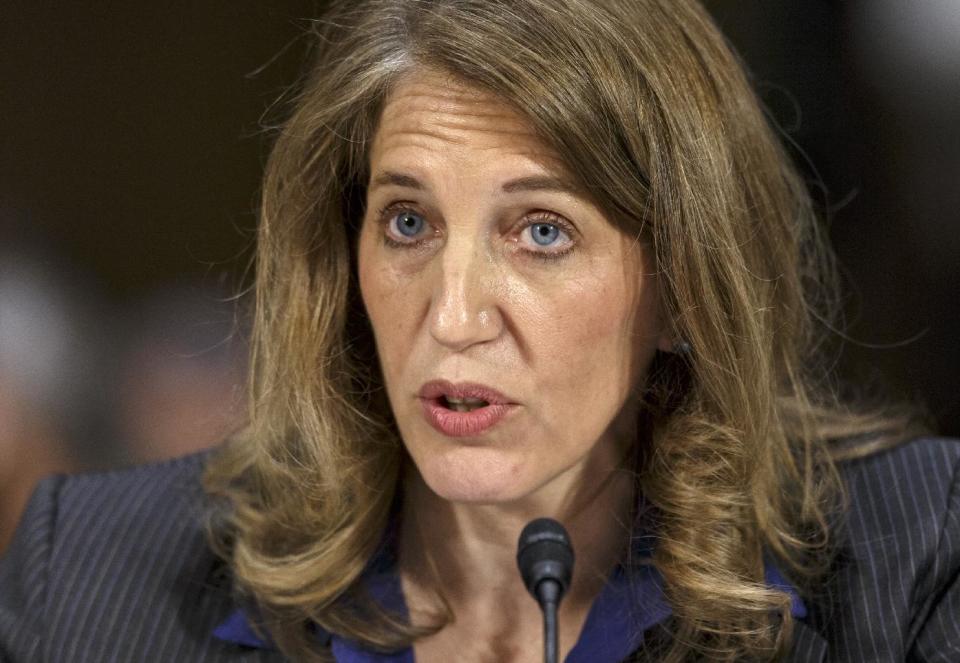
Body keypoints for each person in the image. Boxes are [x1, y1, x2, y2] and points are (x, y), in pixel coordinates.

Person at [1, 0, 957, 661]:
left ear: (684, 285)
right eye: (408, 223)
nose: (452, 318)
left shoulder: (908, 559)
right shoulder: (94, 570)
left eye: (542, 232)